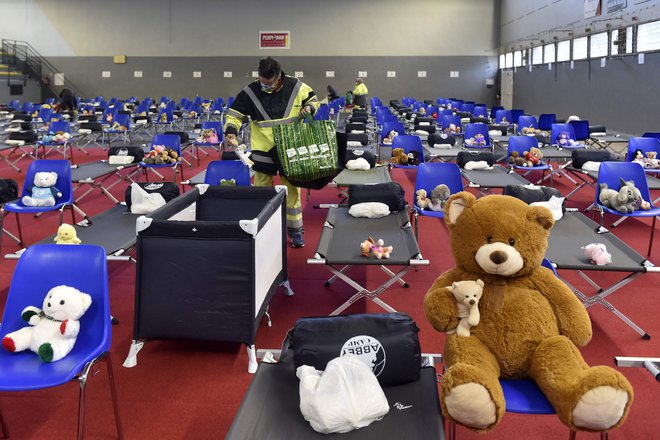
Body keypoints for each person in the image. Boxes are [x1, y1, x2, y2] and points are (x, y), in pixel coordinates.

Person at [224, 56, 319, 248]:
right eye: (261, 81)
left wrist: (309, 107)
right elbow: (234, 115)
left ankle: (295, 231)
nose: (264, 85)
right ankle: (263, 228)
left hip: (290, 147)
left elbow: (313, 100)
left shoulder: (296, 86)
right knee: (262, 190)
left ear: (278, 76)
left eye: (268, 83)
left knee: (292, 189)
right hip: (263, 149)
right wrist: (231, 132)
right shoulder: (250, 91)